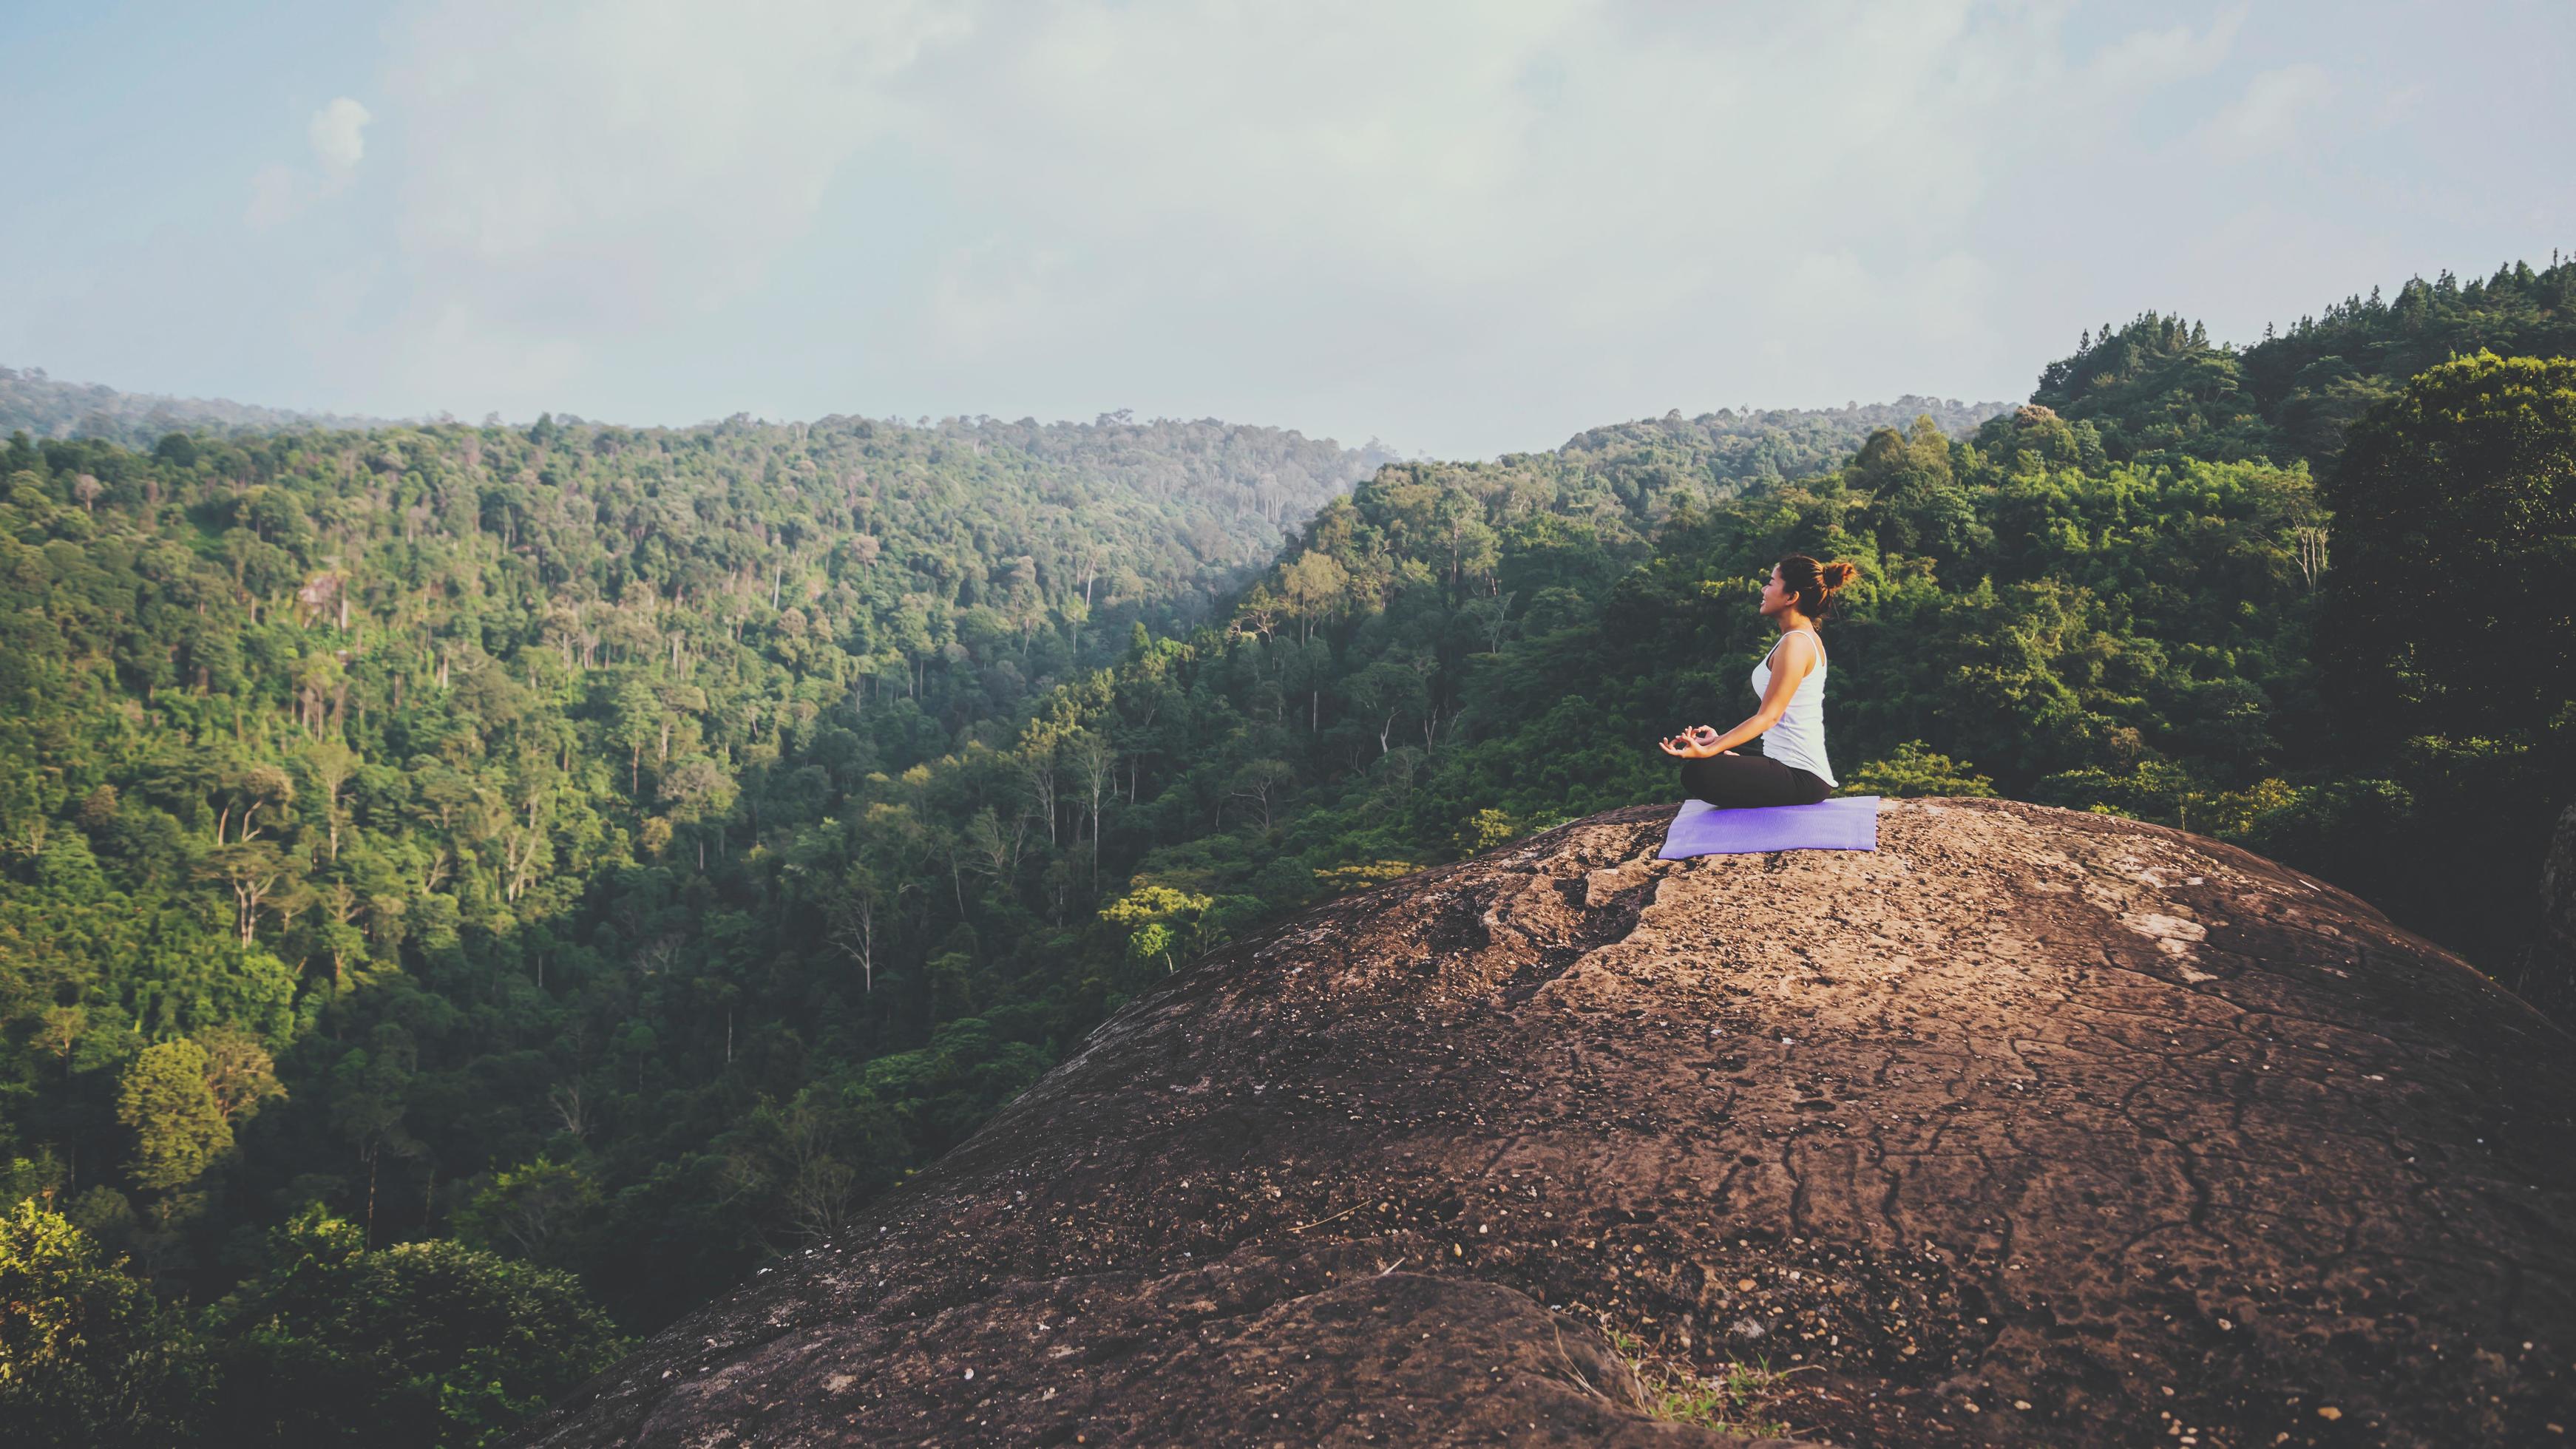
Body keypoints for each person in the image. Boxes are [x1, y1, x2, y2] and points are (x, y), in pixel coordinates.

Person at [1658, 554, 1858, 807]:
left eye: (1772, 583)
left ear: (1791, 597)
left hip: (1801, 775)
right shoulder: (1797, 638)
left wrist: (1710, 751)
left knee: (1698, 772)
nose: (1764, 589)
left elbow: (1768, 717)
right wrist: (1716, 742)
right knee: (1703, 759)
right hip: (1783, 761)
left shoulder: (1796, 644)